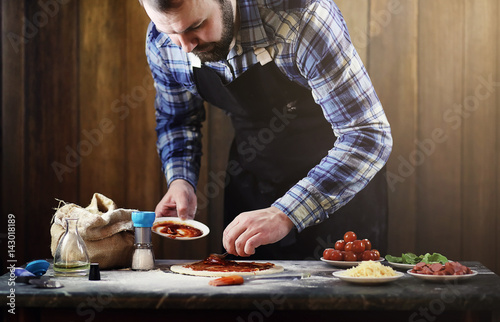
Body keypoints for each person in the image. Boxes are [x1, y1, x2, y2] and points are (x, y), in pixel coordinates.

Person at [141, 0, 392, 259]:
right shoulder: (162, 43)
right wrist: (181, 180)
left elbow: (367, 134)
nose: (185, 46)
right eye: (171, 33)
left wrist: (285, 212)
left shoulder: (302, 18)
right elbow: (178, 119)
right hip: (252, 186)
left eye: (197, 25)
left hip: (340, 188)